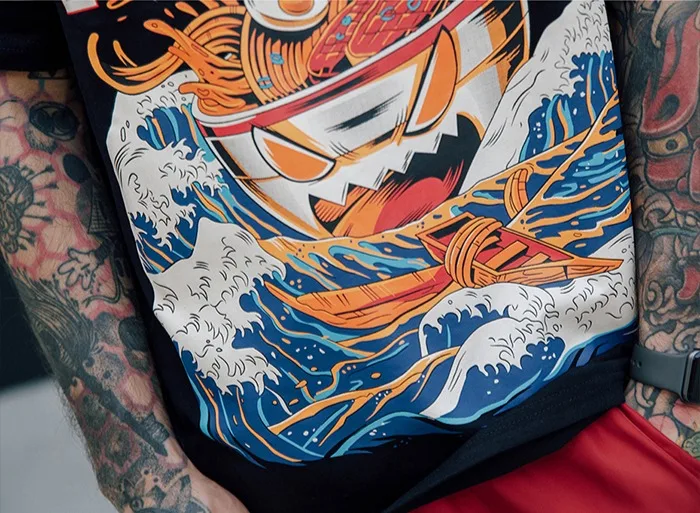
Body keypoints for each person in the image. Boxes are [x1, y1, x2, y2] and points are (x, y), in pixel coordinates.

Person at [0, 1, 697, 513]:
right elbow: (22, 77)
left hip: (611, 421)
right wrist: (147, 477)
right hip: (261, 489)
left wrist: (678, 377)